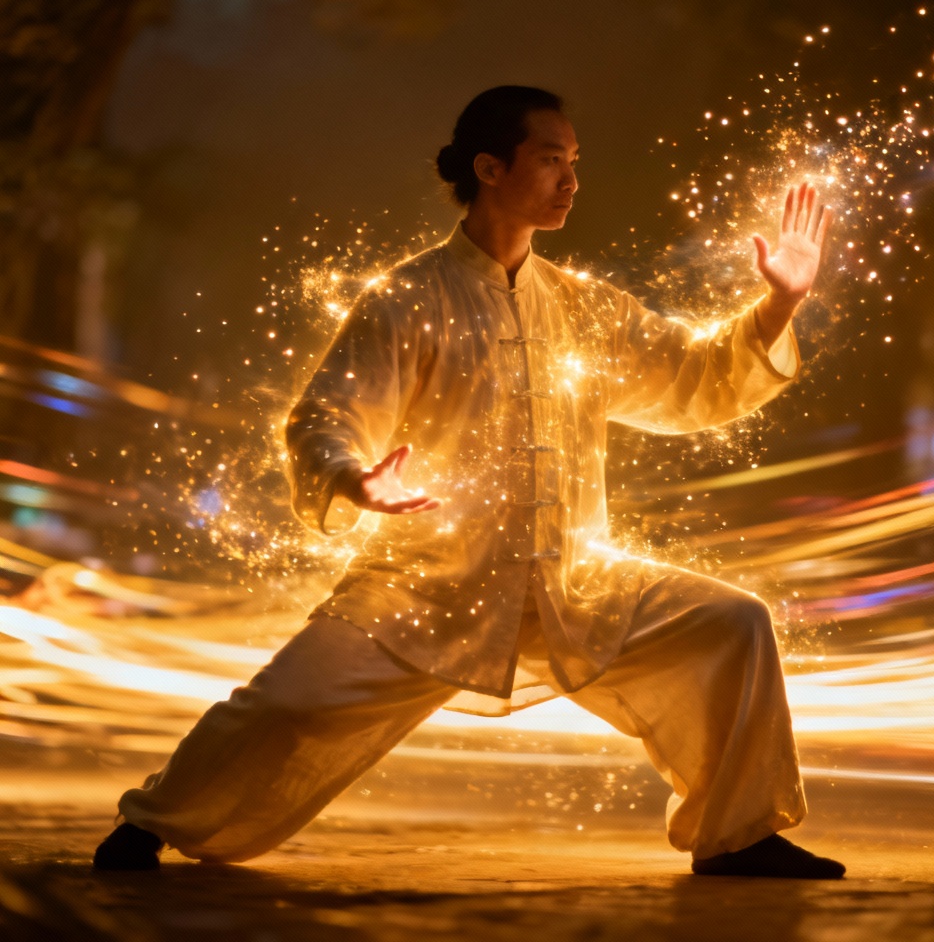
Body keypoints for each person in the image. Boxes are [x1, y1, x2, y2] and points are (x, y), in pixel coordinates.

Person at [94, 85, 843, 878]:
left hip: (571, 582)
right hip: (430, 583)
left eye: (574, 161)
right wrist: (354, 481)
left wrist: (778, 303)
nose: (571, 180)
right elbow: (325, 417)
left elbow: (695, 375)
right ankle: (150, 822)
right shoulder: (408, 300)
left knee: (733, 623)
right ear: (490, 168)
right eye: (550, 160)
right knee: (287, 705)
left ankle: (738, 836)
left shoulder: (585, 307)